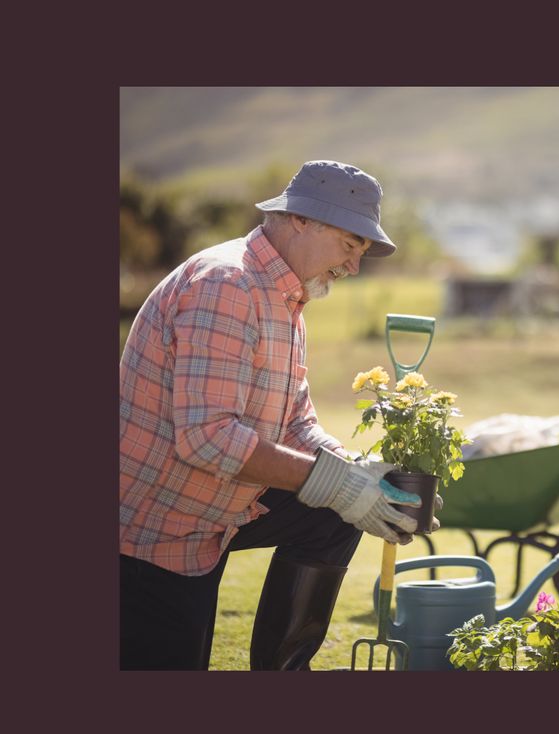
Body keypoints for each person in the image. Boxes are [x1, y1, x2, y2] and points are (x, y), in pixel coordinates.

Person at [120, 159, 428, 671]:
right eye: (350, 246)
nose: (353, 266)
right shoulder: (226, 284)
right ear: (301, 220)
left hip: (215, 514)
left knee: (334, 512)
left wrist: (357, 473)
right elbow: (208, 439)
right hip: (155, 534)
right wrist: (338, 485)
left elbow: (295, 426)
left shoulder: (285, 301)